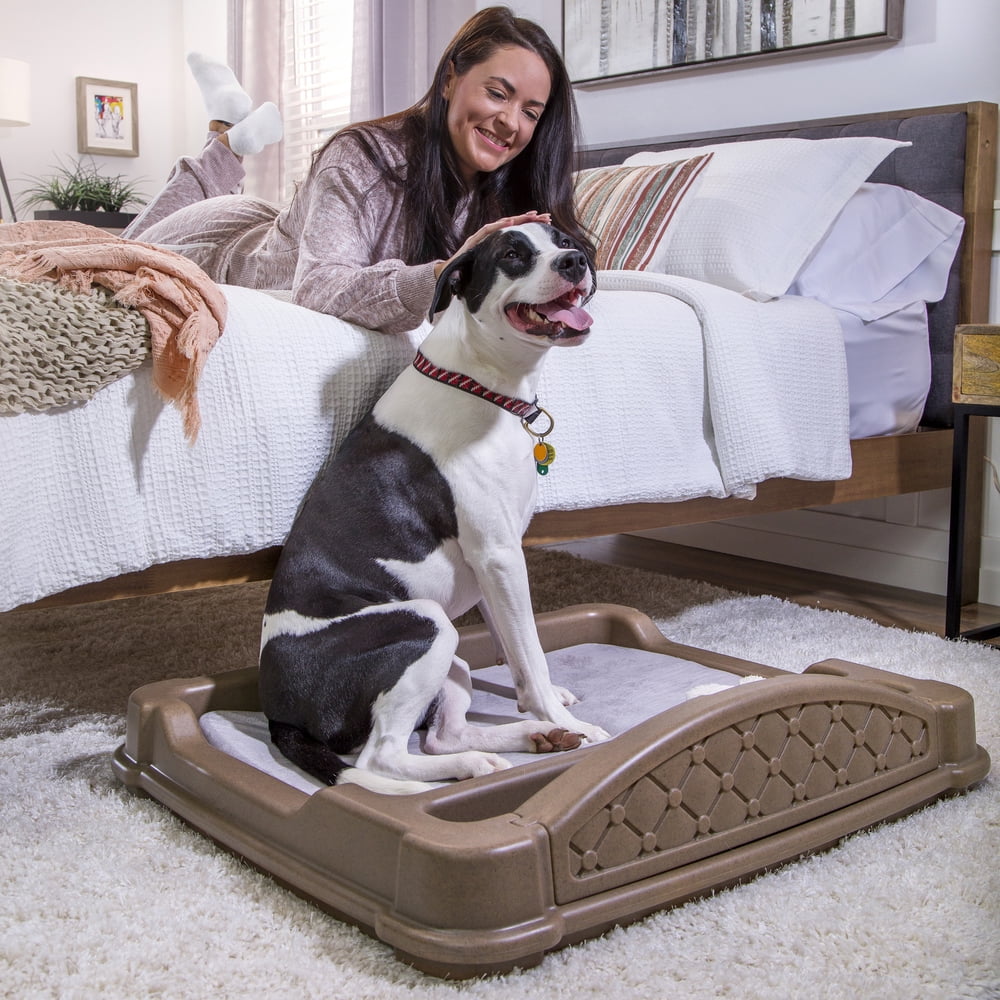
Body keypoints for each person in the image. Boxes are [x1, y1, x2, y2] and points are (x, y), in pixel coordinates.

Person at [125, 7, 594, 335]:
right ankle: (224, 138)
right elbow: (318, 286)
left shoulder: (508, 193)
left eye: (531, 113)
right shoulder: (363, 155)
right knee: (117, 249)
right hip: (222, 245)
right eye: (497, 93)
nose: (511, 122)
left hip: (284, 225)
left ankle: (229, 124)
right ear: (450, 78)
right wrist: (442, 273)